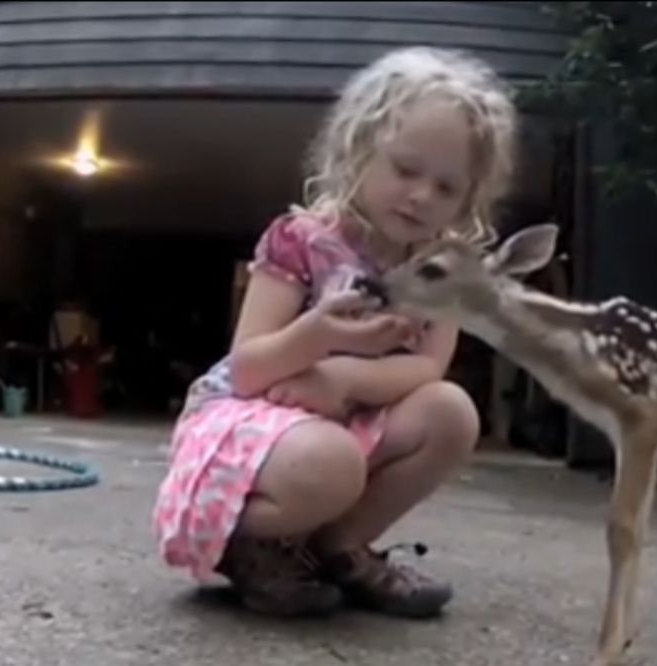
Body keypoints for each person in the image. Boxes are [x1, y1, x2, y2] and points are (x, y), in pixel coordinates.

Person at [152, 45, 518, 620]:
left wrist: (344, 379)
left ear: (467, 199)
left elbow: (427, 369)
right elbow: (247, 367)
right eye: (405, 169)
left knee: (451, 413)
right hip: (253, 419)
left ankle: (339, 547)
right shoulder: (302, 239)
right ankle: (242, 542)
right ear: (359, 149)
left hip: (343, 418)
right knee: (334, 463)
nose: (422, 195)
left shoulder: (446, 271)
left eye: (447, 188)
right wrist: (317, 341)